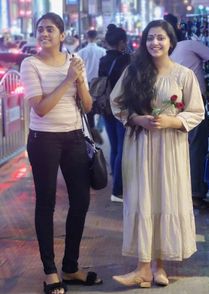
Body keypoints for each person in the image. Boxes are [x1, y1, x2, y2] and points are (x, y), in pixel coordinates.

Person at [110, 20, 205, 287]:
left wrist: (172, 122)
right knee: (143, 200)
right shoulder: (134, 71)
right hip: (140, 147)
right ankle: (142, 267)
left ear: (170, 41)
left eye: (161, 38)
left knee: (165, 199)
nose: (155, 43)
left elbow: (196, 111)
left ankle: (158, 266)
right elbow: (115, 103)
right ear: (144, 41)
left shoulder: (184, 75)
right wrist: (137, 119)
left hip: (170, 149)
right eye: (150, 38)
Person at [20, 12, 102, 294]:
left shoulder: (74, 62)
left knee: (80, 202)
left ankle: (71, 266)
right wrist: (68, 80)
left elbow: (89, 106)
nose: (44, 33)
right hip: (44, 140)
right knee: (46, 204)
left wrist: (78, 81)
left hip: (74, 138)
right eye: (40, 29)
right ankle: (50, 271)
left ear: (62, 35)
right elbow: (40, 108)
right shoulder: (30, 64)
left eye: (50, 29)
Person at [169, 15, 209, 209]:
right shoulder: (188, 45)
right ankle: (195, 194)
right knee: (197, 147)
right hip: (193, 103)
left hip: (174, 104)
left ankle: (183, 192)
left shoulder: (166, 53)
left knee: (182, 148)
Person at [98, 24, 131, 203]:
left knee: (115, 147)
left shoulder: (104, 60)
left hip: (106, 108)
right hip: (121, 107)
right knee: (122, 149)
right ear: (121, 43)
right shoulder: (125, 60)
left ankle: (115, 180)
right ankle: (118, 190)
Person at [78, 29, 106, 142]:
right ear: (96, 37)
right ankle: (98, 128)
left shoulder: (82, 52)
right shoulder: (102, 51)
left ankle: (91, 129)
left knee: (88, 108)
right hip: (99, 83)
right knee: (102, 107)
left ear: (86, 37)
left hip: (86, 83)